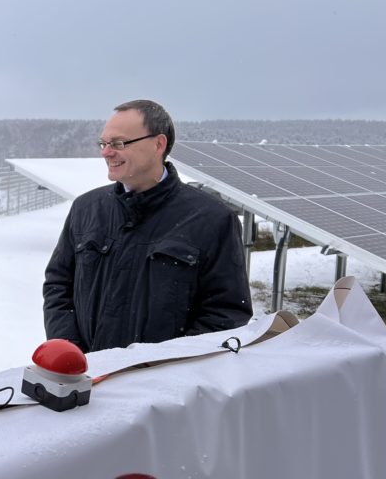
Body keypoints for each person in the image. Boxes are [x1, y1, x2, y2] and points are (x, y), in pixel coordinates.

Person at [43, 100, 252, 352]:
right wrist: (71, 349)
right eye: (104, 143)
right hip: (87, 376)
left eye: (119, 143)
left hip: (161, 385)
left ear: (158, 144)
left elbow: (226, 311)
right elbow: (58, 284)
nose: (106, 152)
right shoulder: (86, 209)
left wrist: (160, 366)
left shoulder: (211, 219)